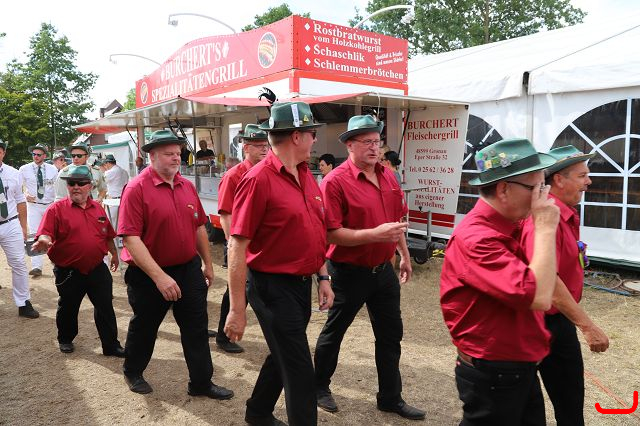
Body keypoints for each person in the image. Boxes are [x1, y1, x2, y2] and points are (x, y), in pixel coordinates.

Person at [224, 102, 334, 426]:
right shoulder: (258, 179)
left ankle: (257, 412)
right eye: (312, 133)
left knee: (283, 354)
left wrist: (323, 276)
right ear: (297, 136)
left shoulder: (306, 175)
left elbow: (314, 231)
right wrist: (236, 309)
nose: (315, 139)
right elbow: (237, 246)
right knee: (300, 372)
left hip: (300, 286)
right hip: (272, 288)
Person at [440, 138, 560, 425]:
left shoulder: (508, 225)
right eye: (536, 188)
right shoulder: (478, 238)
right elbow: (539, 296)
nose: (543, 197)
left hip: (514, 364)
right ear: (504, 189)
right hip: (496, 371)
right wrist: (545, 228)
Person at [313, 115, 424, 420]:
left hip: (383, 271)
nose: (374, 148)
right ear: (349, 145)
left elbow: (396, 222)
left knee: (390, 335)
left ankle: (390, 397)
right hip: (348, 272)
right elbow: (330, 233)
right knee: (335, 332)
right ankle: (318, 386)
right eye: (366, 142)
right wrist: (374, 235)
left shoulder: (389, 177)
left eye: (377, 141)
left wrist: (404, 255)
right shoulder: (335, 181)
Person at [117, 130, 233, 400]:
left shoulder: (186, 186)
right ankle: (133, 371)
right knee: (145, 327)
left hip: (188, 269)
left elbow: (198, 227)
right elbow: (131, 239)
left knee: (196, 327)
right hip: (148, 275)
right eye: (169, 154)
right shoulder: (136, 188)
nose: (175, 158)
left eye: (178, 153)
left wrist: (208, 263)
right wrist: (159, 277)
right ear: (152, 156)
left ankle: (201, 383)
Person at [521, 145, 609, 426]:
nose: (589, 181)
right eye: (582, 175)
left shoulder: (564, 213)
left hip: (559, 322)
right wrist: (588, 326)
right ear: (558, 179)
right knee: (528, 412)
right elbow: (548, 280)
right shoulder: (545, 216)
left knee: (570, 404)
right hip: (536, 324)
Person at [31, 165, 124, 356]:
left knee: (105, 307)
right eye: (71, 183)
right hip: (69, 271)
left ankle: (111, 345)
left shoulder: (98, 208)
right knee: (68, 306)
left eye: (80, 183)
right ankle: (65, 339)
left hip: (97, 268)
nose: (75, 187)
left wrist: (114, 254)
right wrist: (44, 240)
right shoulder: (56, 209)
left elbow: (107, 234)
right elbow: (45, 232)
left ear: (90, 186)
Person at [210, 124, 269, 353]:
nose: (264, 149)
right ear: (246, 148)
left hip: (261, 246)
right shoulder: (234, 175)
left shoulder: (267, 171)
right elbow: (226, 214)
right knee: (237, 292)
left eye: (266, 145)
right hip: (242, 245)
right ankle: (224, 337)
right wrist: (233, 246)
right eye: (258, 146)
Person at [0, 138, 39, 318]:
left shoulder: (13, 173)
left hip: (11, 223)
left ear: (3, 152)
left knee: (19, 263)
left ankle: (23, 302)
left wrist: (23, 227)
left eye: (0, 150)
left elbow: (20, 200)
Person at [19, 143, 58, 277]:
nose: (35, 156)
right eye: (34, 154)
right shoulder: (24, 169)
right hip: (33, 206)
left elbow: (57, 187)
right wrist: (25, 195)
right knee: (35, 234)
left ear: (45, 156)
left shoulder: (53, 169)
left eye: (38, 154)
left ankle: (56, 262)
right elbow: (18, 187)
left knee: (53, 234)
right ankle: (37, 266)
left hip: (50, 205)